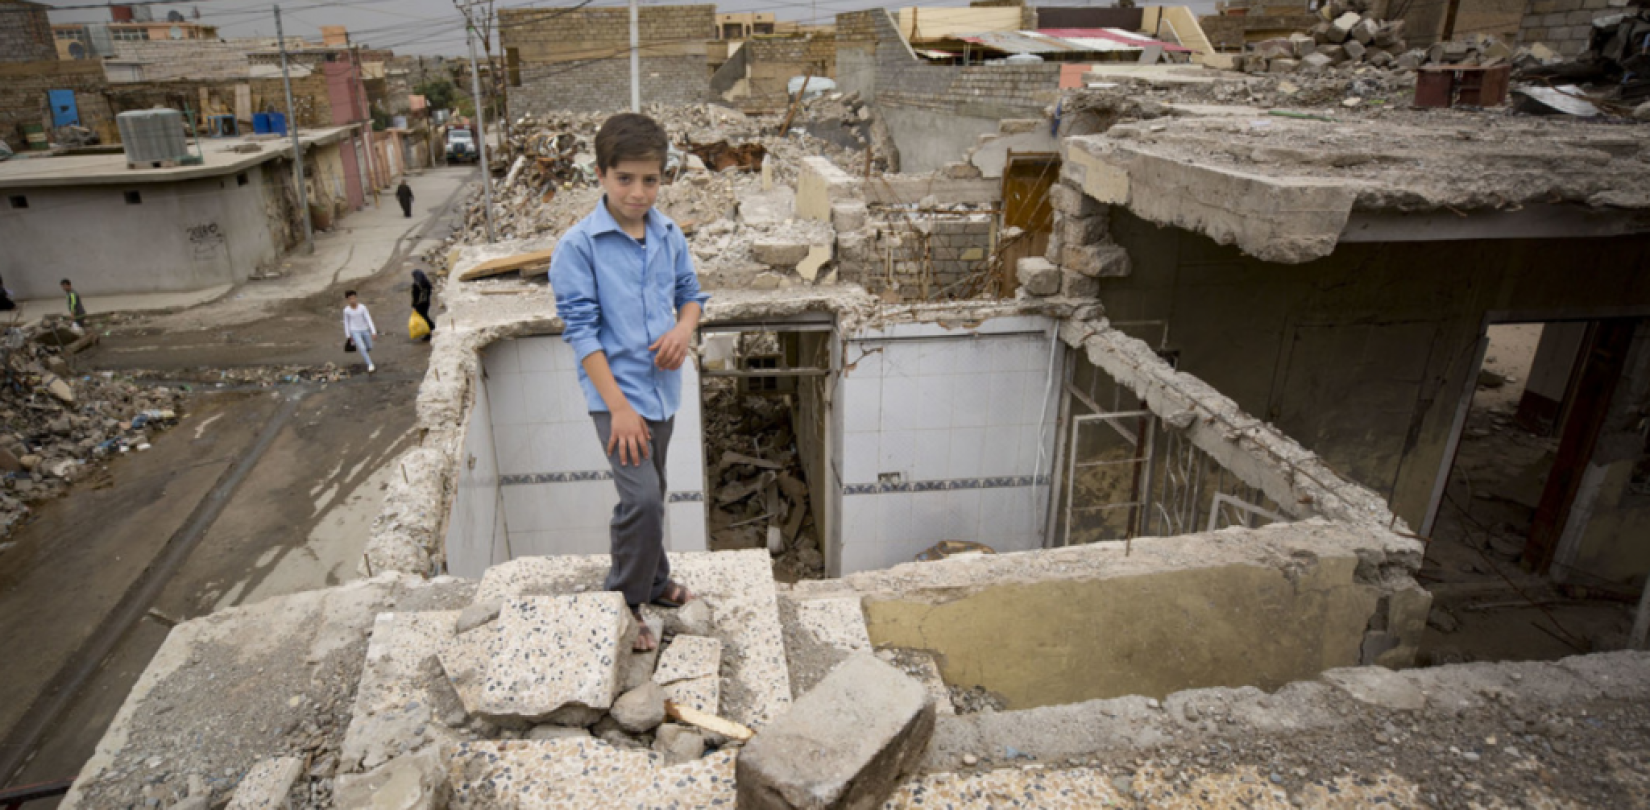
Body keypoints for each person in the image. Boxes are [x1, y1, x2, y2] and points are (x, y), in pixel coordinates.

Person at [551, 113, 708, 653]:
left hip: (662, 392)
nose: (639, 192)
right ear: (601, 174)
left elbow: (692, 294)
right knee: (639, 500)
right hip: (615, 398)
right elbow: (581, 332)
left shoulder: (667, 234)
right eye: (625, 179)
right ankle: (623, 600)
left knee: (655, 493)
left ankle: (657, 580)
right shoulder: (578, 247)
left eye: (650, 179)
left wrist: (684, 329)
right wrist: (617, 407)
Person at [342, 290, 378, 373]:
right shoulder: (346, 310)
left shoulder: (362, 307)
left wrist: (373, 331)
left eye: (354, 298)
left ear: (356, 298)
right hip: (354, 331)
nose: (352, 300)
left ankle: (365, 352)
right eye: (350, 299)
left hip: (365, 330)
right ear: (347, 300)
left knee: (369, 346)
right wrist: (348, 335)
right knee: (362, 347)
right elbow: (346, 323)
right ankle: (370, 364)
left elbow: (368, 319)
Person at [410, 270, 434, 341]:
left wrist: (414, 305)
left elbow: (415, 296)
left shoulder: (416, 285)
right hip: (426, 303)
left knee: (423, 318)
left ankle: (430, 330)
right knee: (425, 316)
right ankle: (431, 328)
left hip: (419, 304)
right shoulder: (427, 283)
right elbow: (429, 293)